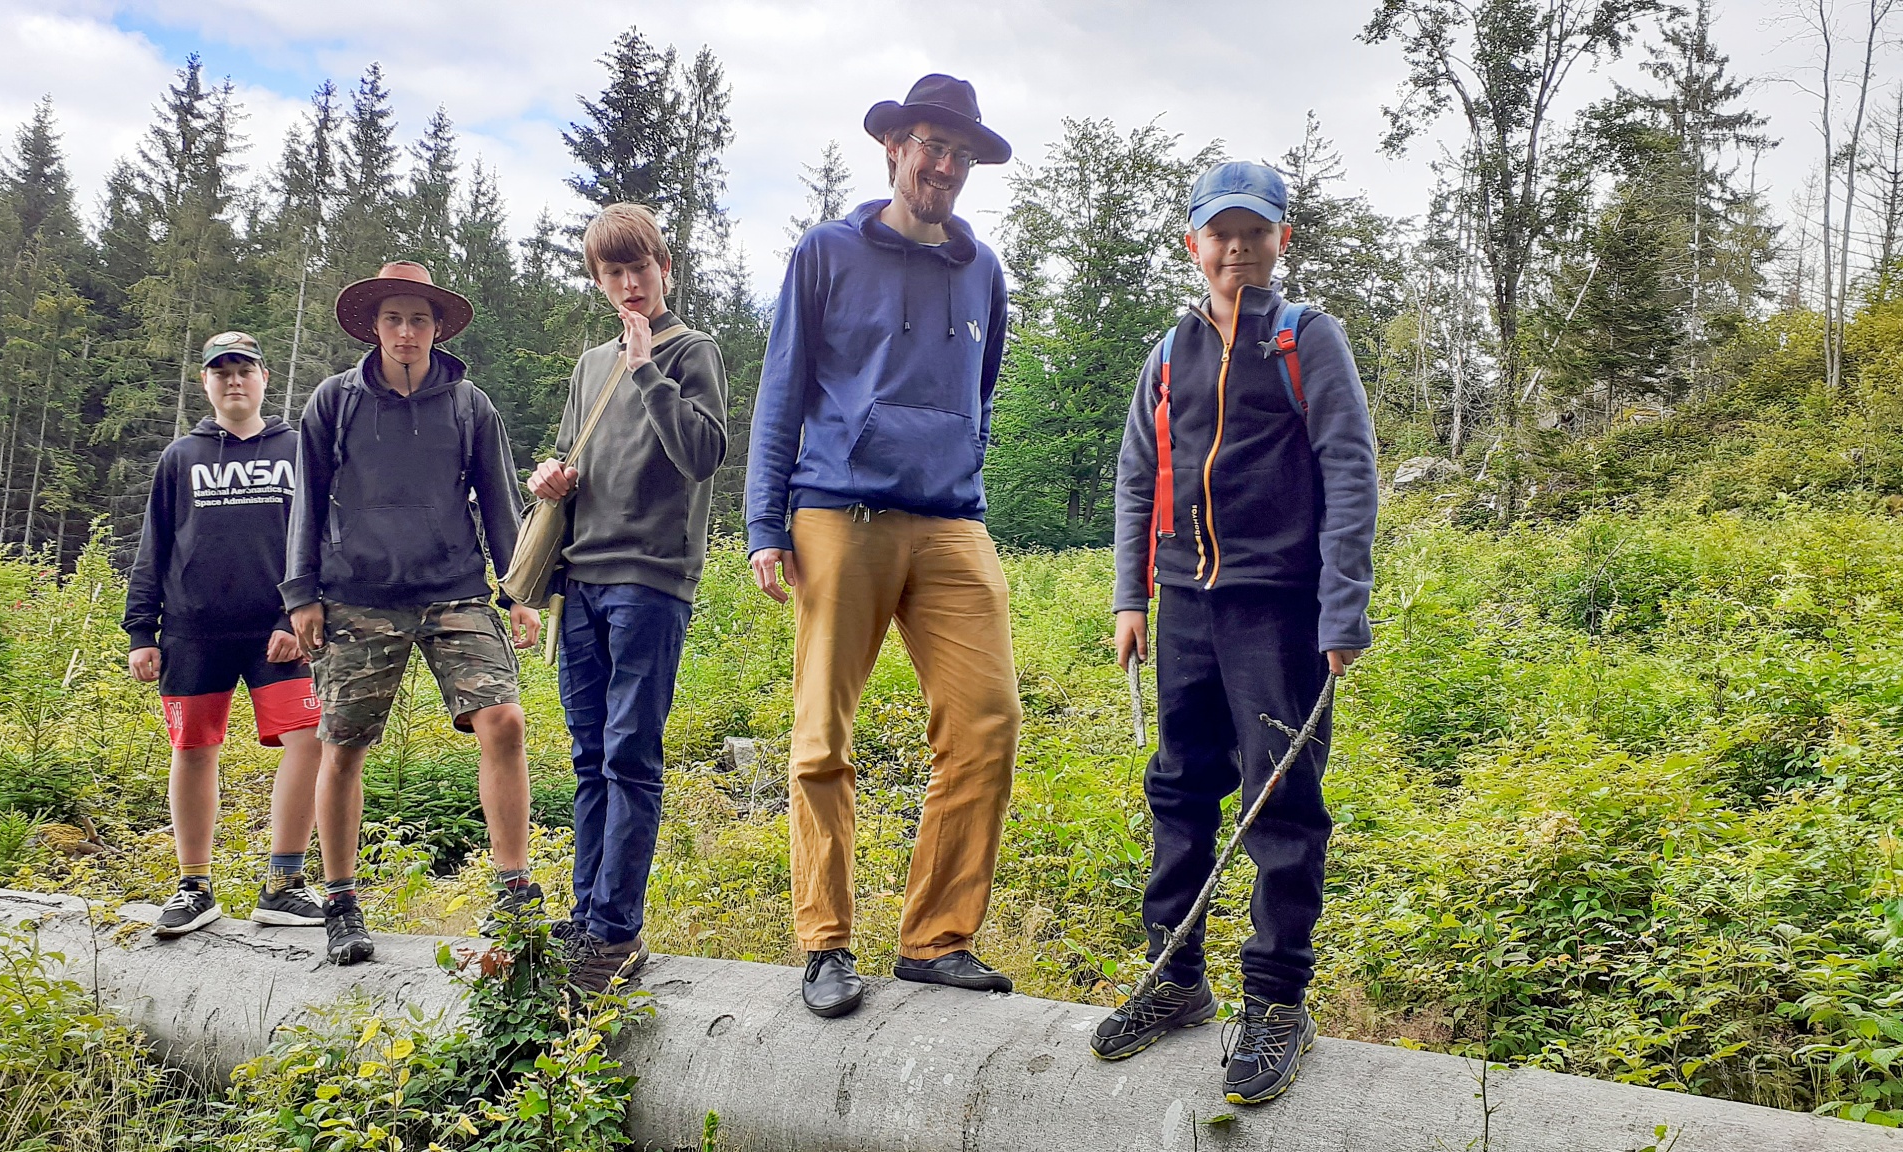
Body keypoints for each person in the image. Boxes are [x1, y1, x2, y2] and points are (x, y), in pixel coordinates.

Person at [1091, 161, 1379, 1105]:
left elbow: (1350, 471)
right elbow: (1138, 475)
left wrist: (1343, 608)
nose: (1238, 248)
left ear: (1282, 240)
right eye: (1221, 233)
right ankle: (1175, 980)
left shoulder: (1306, 340)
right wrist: (1131, 598)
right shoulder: (1169, 352)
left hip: (1280, 609)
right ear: (1194, 244)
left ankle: (1277, 1000)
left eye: (1256, 231)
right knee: (1179, 789)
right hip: (1185, 605)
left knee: (1280, 801)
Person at [746, 74, 1023, 1019]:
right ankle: (825, 941)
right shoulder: (827, 253)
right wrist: (765, 523)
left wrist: (963, 465)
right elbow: (782, 390)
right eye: (930, 145)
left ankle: (936, 940)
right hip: (839, 511)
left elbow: (981, 394)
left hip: (951, 522)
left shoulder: (983, 272)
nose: (944, 165)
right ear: (895, 148)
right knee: (823, 733)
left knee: (987, 722)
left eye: (960, 153)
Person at [282, 261, 542, 966]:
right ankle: (340, 901)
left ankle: (514, 890)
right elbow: (307, 499)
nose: (406, 331)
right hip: (356, 595)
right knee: (343, 745)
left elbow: (499, 502)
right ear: (374, 326)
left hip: (453, 589)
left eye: (419, 319)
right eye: (393, 318)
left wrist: (519, 592)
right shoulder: (334, 402)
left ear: (436, 329)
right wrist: (301, 594)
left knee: (505, 720)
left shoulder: (470, 406)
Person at [524, 203, 728, 995]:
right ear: (600, 281)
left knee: (629, 754)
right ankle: (585, 918)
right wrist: (550, 476)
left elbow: (701, 453)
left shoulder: (692, 352)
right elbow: (570, 458)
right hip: (581, 580)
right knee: (588, 758)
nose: (629, 284)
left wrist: (646, 369)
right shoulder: (587, 365)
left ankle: (616, 931)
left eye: (639, 267)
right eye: (613, 272)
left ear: (664, 267)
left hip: (650, 580)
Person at [123, 331, 327, 938]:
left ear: (265, 378)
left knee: (309, 741)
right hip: (192, 631)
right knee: (192, 749)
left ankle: (285, 884)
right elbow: (155, 545)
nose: (234, 380)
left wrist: (295, 615)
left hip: (279, 632)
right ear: (205, 382)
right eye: (222, 371)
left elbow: (321, 538)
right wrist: (141, 630)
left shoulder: (298, 449)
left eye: (244, 370)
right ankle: (194, 886)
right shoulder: (180, 457)